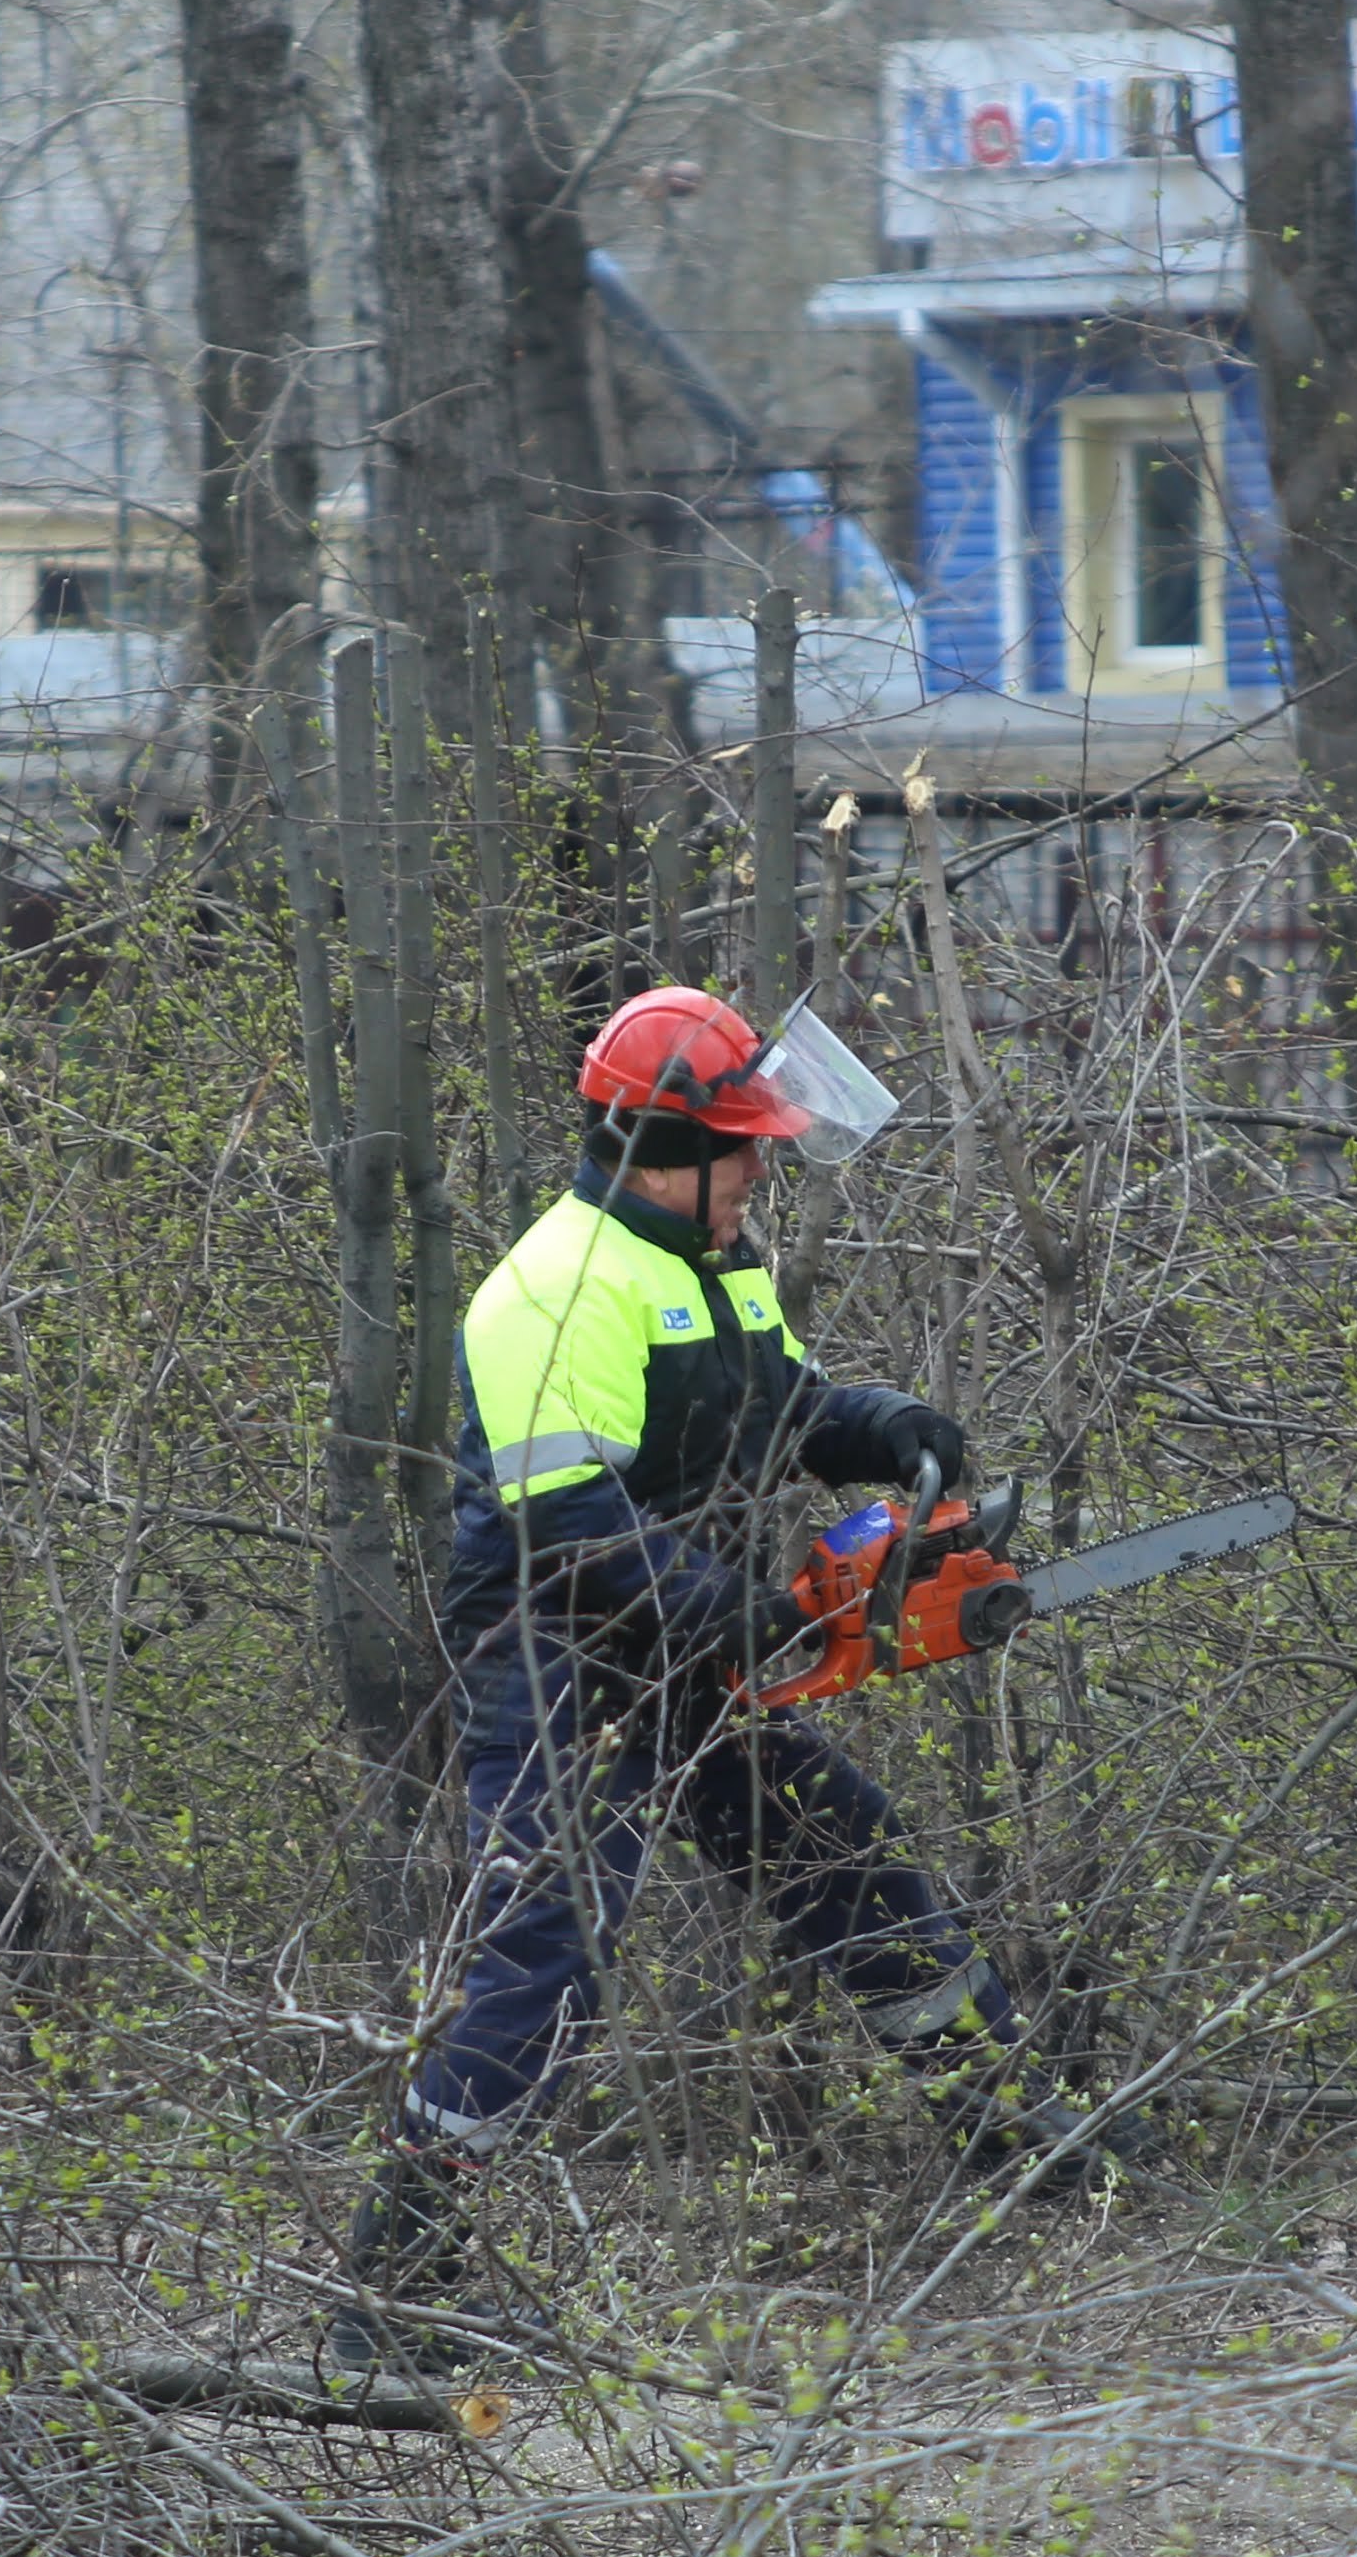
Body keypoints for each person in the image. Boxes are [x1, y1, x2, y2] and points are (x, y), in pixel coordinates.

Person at [330, 985, 1106, 2371]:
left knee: (846, 1852)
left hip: (683, 1637)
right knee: (545, 1952)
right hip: (554, 1652)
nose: (760, 1164)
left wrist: (890, 1428)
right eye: (740, 1143)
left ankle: (1022, 2138)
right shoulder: (558, 1285)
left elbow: (784, 1411)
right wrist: (751, 1614)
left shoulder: (712, 1259)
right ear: (664, 1147)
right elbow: (565, 1524)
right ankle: (393, 2291)